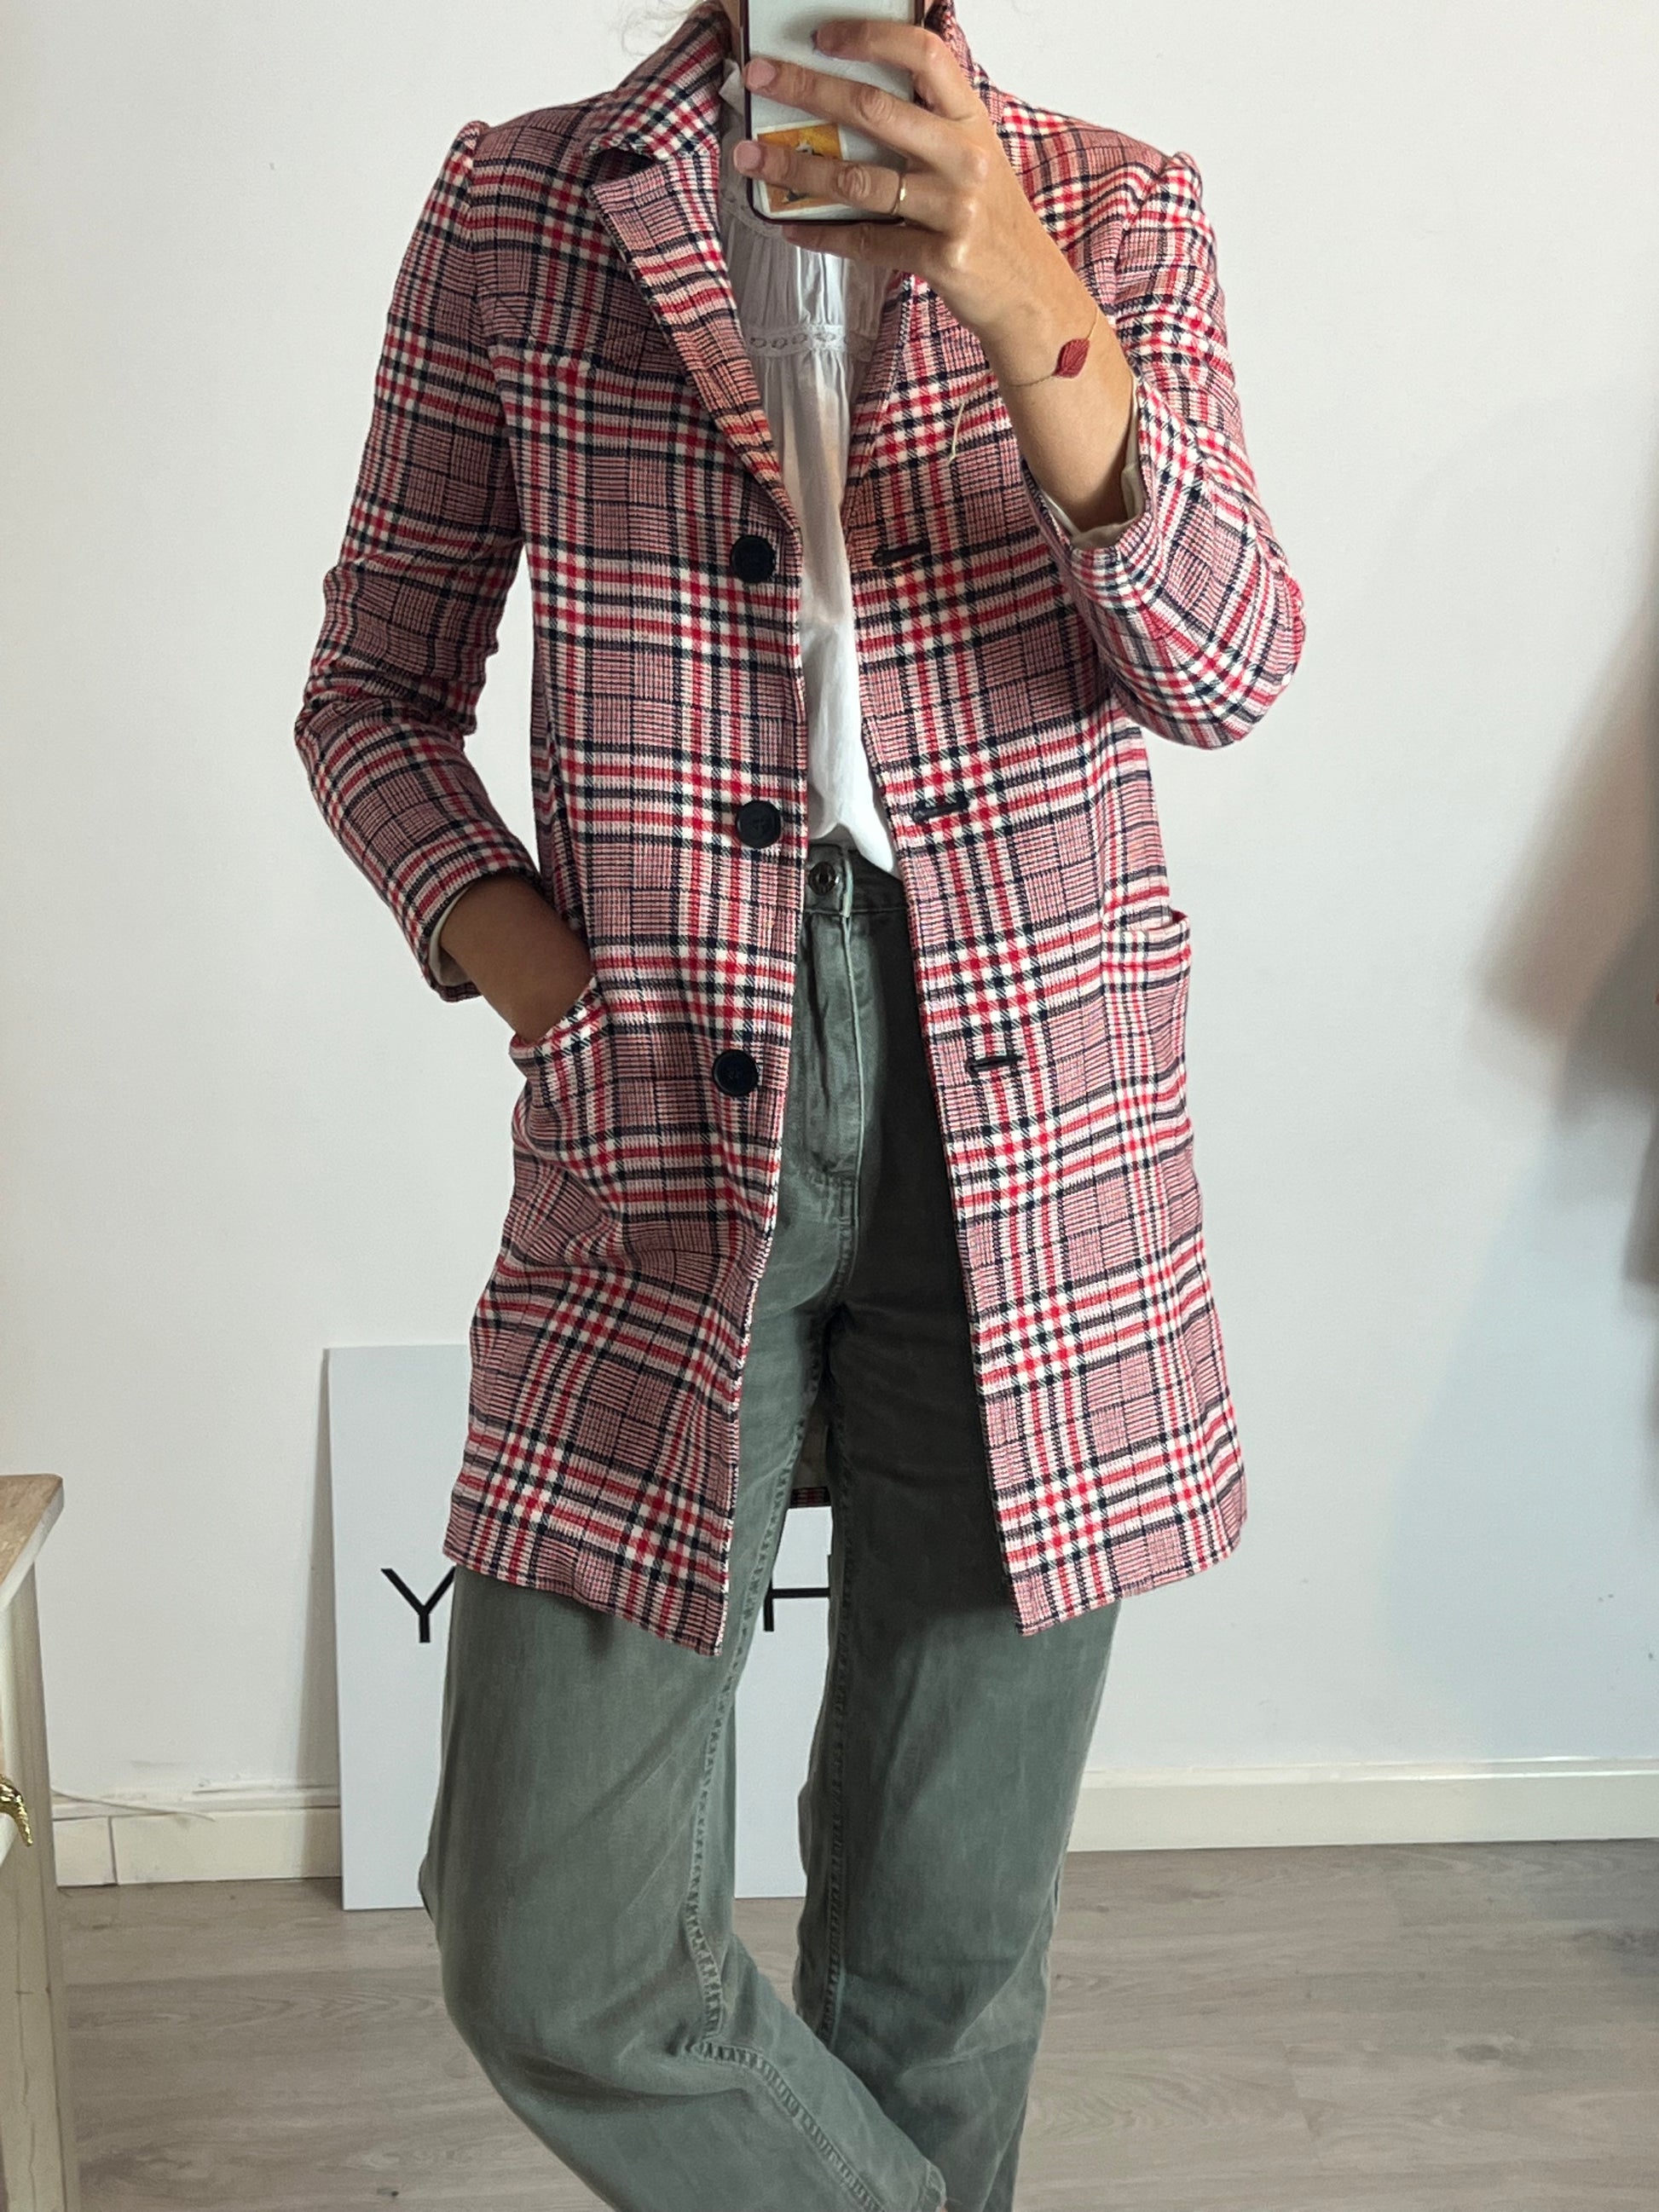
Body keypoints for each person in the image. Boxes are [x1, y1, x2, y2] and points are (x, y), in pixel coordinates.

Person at [292, 1, 1304, 2205]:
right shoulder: (522, 206)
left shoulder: (1110, 206)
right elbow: (369, 691)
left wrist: (1010, 275)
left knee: (941, 1969)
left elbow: (1228, 663)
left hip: (1031, 1125)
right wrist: (536, 973)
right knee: (550, 1945)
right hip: (662, 1083)